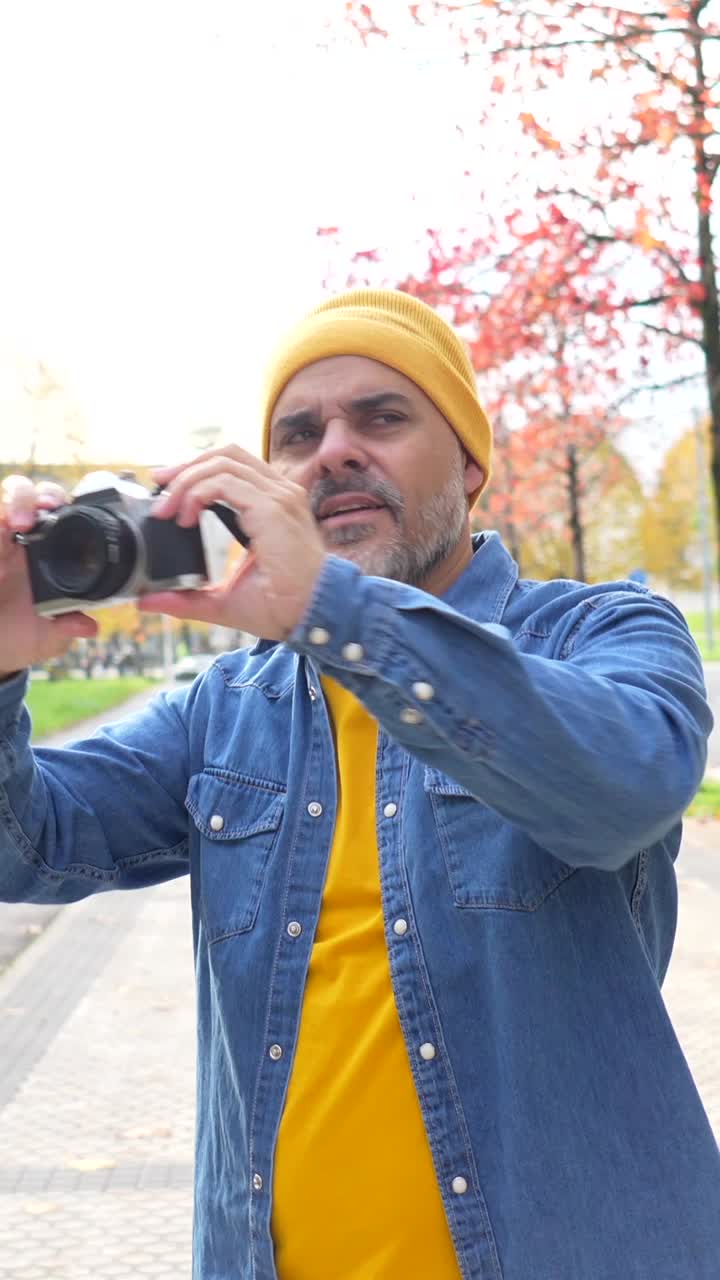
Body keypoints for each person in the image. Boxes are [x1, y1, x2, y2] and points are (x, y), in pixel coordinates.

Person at [0, 288, 718, 1280]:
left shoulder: (603, 634)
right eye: (298, 433)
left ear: (470, 460)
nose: (333, 449)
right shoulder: (225, 704)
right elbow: (27, 843)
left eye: (382, 416)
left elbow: (624, 784)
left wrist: (336, 610)